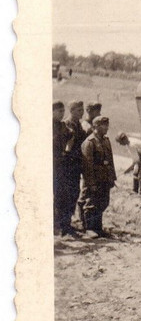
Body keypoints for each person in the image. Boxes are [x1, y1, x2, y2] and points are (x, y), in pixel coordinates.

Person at [81, 115, 117, 237]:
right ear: (95, 126)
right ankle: (89, 228)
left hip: (105, 178)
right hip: (94, 179)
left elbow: (110, 160)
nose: (106, 128)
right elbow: (87, 165)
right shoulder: (89, 142)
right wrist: (90, 183)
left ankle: (98, 227)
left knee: (103, 202)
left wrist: (112, 177)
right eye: (103, 125)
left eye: (107, 125)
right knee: (91, 203)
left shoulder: (106, 141)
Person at [61, 100, 86, 234]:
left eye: (82, 110)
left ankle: (68, 223)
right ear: (71, 111)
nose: (81, 113)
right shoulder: (66, 125)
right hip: (68, 165)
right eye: (78, 110)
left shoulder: (79, 125)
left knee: (74, 193)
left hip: (76, 164)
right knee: (67, 194)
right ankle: (64, 226)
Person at [52, 101, 73, 235]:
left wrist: (67, 151)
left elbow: (71, 137)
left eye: (63, 111)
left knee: (61, 194)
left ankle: (59, 224)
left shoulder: (63, 126)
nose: (62, 114)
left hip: (60, 164)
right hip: (49, 163)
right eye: (59, 111)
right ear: (52, 111)